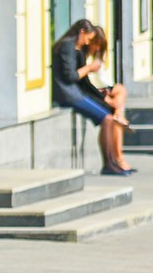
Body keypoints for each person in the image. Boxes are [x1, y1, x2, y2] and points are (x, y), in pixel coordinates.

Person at [51, 20, 136, 176]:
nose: (88, 42)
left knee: (110, 116)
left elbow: (84, 83)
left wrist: (105, 101)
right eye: (89, 39)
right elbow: (71, 76)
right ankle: (109, 163)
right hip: (68, 94)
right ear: (82, 32)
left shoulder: (75, 48)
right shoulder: (68, 46)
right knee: (107, 119)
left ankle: (113, 162)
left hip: (75, 93)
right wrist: (89, 68)